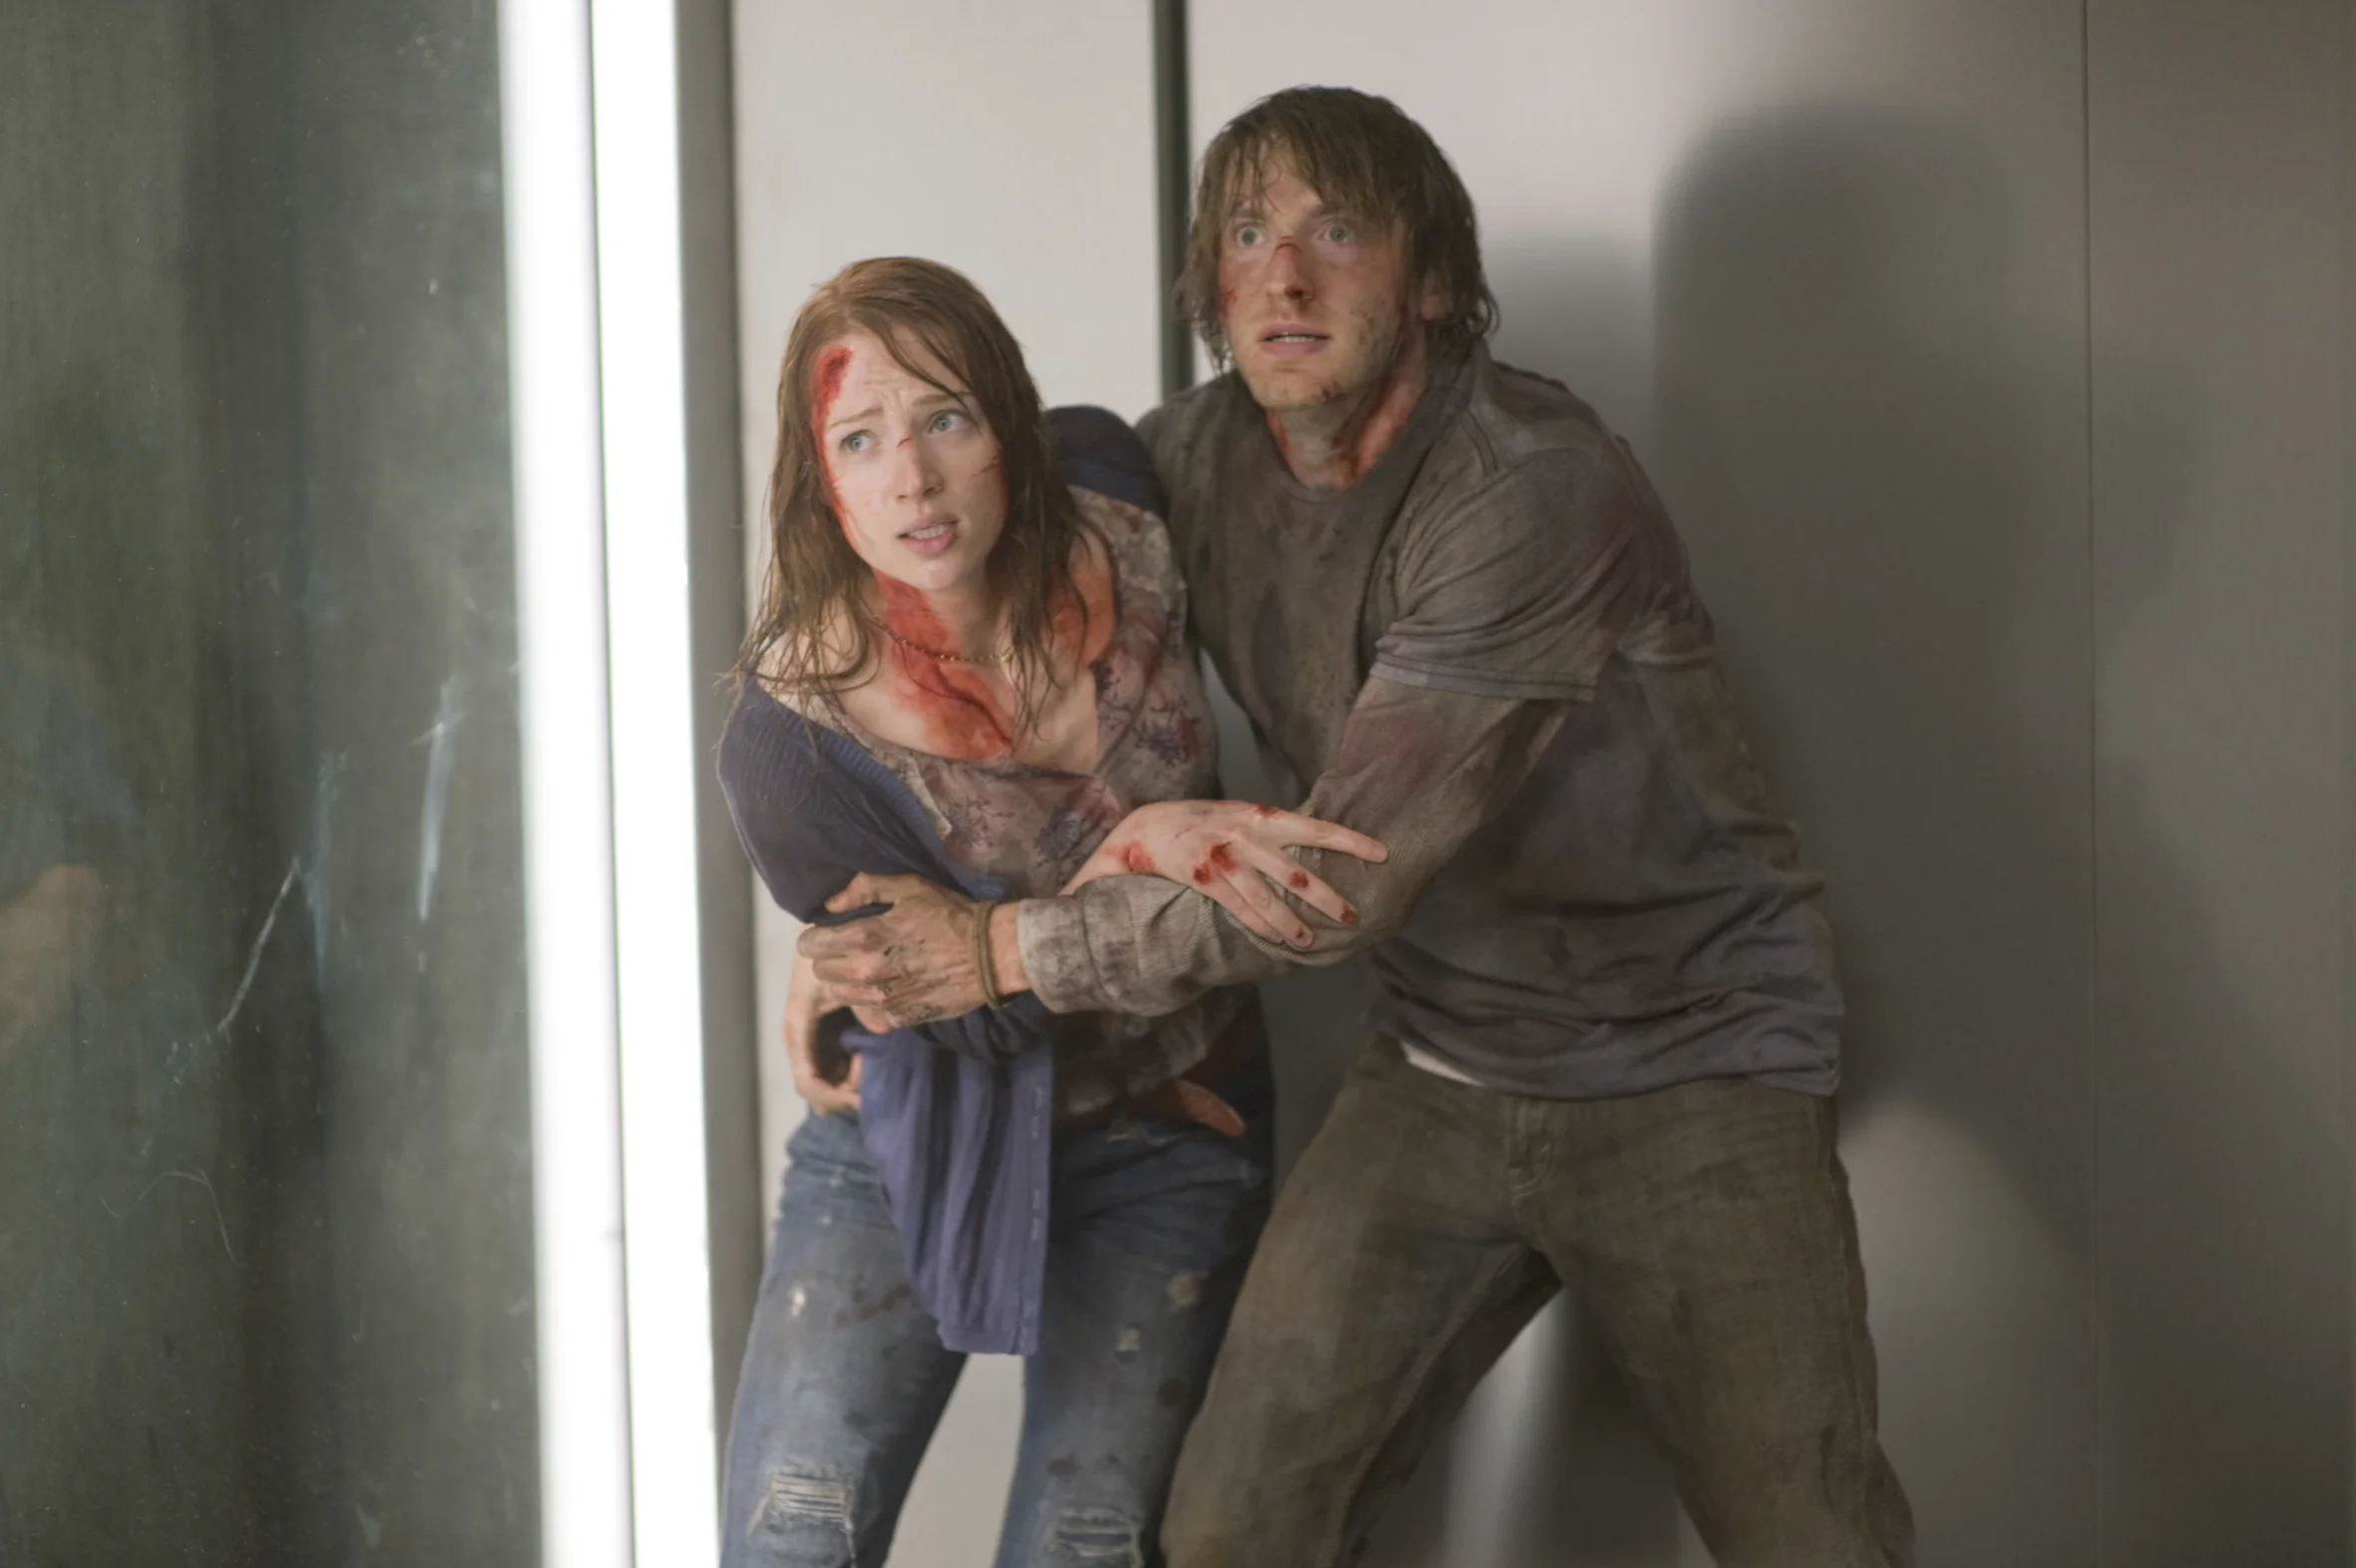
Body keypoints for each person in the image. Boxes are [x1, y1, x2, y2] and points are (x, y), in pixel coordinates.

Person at [801, 91, 1917, 1567]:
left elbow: (1334, 885)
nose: (1282, 275)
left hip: (1691, 1062)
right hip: (1440, 1065)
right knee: (1228, 1535)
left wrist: (993, 953)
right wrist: (845, 919)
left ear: (1434, 279)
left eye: (1336, 231)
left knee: (1808, 1539)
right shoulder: (1185, 461)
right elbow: (954, 579)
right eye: (1245, 235)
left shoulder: (1533, 489)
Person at [714, 255, 1383, 1568]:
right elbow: (973, 1019)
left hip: (1172, 1129)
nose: (913, 480)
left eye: (945, 418)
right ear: (816, 478)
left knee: (1090, 1548)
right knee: (796, 1538)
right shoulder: (793, 740)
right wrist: (1133, 844)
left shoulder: (1114, 493)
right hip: (917, 1126)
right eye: (860, 440)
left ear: (1009, 425)